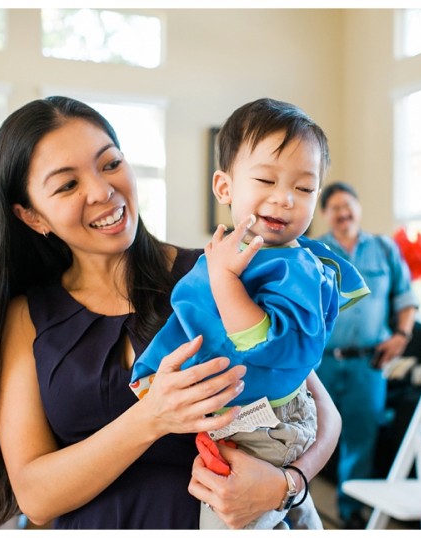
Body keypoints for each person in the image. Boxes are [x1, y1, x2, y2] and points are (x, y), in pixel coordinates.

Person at [0, 96, 342, 530]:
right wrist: (152, 417)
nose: (103, 191)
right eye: (68, 185)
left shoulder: (217, 274)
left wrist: (284, 485)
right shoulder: (27, 317)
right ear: (31, 216)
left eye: (109, 164)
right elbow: (35, 496)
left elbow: (320, 411)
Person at [130, 98, 369, 530]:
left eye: (304, 188)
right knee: (290, 518)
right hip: (241, 420)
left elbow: (268, 343)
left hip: (266, 424)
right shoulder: (230, 253)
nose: (284, 199)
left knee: (232, 521)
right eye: (266, 179)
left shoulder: (298, 267)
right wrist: (150, 376)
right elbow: (190, 318)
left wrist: (224, 281)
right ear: (224, 187)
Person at [316, 181, 418, 529]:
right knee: (309, 435)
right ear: (326, 215)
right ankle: (298, 506)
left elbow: (406, 300)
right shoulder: (314, 251)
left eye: (348, 205)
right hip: (321, 364)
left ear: (358, 208)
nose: (343, 213)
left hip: (368, 365)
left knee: (362, 438)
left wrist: (401, 337)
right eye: (335, 208)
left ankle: (350, 510)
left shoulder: (384, 249)